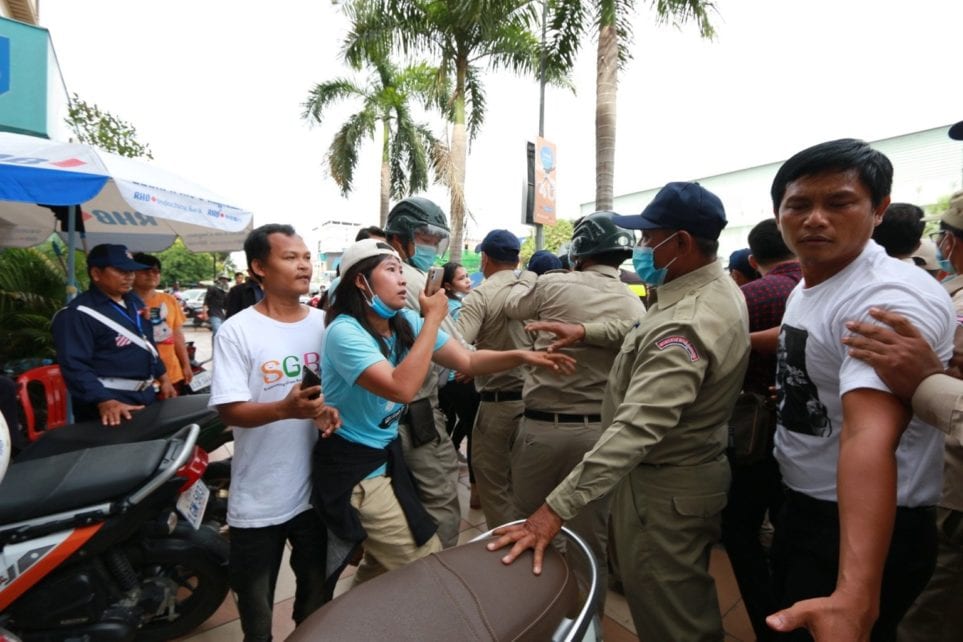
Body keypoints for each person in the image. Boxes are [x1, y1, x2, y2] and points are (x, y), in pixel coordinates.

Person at [489, 181, 750, 641]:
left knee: (673, 619)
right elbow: (637, 330)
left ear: (682, 243)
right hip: (671, 478)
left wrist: (553, 510)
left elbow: (636, 429)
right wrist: (584, 330)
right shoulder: (699, 293)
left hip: (663, 487)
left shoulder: (686, 320)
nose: (643, 249)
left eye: (651, 238)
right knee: (669, 600)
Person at [759, 139, 954, 642]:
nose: (815, 219)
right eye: (799, 205)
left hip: (860, 527)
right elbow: (808, 335)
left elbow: (867, 435)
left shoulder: (887, 298)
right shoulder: (817, 280)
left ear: (878, 210)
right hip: (804, 504)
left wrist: (855, 594)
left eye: (839, 202)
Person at [315, 239, 575, 588]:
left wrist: (522, 356)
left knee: (382, 561)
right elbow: (401, 387)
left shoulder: (403, 320)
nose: (403, 279)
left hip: (386, 457)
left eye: (400, 269)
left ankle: (354, 617)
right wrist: (433, 319)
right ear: (360, 281)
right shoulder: (344, 331)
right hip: (354, 467)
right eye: (390, 270)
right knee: (422, 559)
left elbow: (467, 360)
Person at [503, 210, 644, 599]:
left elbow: (514, 308)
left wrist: (529, 276)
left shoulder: (552, 286)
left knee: (528, 531)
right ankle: (586, 626)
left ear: (579, 251)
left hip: (541, 432)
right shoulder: (635, 305)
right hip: (599, 438)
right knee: (589, 543)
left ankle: (536, 616)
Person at [210, 224, 339, 641]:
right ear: (259, 268)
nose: (303, 265)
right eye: (290, 257)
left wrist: (328, 411)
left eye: (305, 257)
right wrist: (284, 409)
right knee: (256, 611)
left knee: (316, 602)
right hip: (260, 497)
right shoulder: (237, 331)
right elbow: (230, 411)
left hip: (316, 495)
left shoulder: (327, 325)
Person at [720, 218, 801, 641]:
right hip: (815, 442)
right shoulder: (820, 286)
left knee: (739, 526)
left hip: (752, 435)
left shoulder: (746, 297)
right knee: (794, 530)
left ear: (753, 260)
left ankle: (767, 620)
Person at [383, 196, 464, 547]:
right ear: (399, 238)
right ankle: (439, 581)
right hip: (415, 409)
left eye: (436, 239)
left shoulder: (371, 272)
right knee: (441, 498)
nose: (431, 246)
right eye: (425, 238)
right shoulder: (412, 280)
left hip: (381, 412)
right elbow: (457, 349)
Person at [52, 244, 173, 425]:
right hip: (110, 406)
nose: (129, 276)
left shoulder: (134, 303)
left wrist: (163, 378)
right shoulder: (77, 314)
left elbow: (147, 345)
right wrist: (104, 401)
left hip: (146, 397)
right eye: (121, 270)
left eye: (131, 271)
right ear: (96, 274)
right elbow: (75, 365)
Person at [456, 229, 529, 527]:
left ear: (484, 258)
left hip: (497, 404)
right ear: (518, 258)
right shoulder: (537, 285)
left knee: (493, 484)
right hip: (539, 402)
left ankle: (505, 542)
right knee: (526, 484)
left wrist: (471, 364)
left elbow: (457, 343)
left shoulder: (481, 295)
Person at [436, 261, 481, 507]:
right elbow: (465, 345)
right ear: (447, 285)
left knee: (457, 423)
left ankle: (451, 459)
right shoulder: (457, 310)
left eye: (467, 277)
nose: (468, 281)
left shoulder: (448, 306)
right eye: (462, 279)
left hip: (449, 381)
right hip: (461, 378)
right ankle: (475, 491)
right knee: (474, 431)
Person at [132, 253, 193, 393]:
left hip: (172, 373)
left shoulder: (169, 300)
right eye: (145, 270)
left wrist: (186, 364)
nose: (152, 274)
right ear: (131, 272)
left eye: (156, 271)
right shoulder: (122, 302)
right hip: (139, 379)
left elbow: (177, 335)